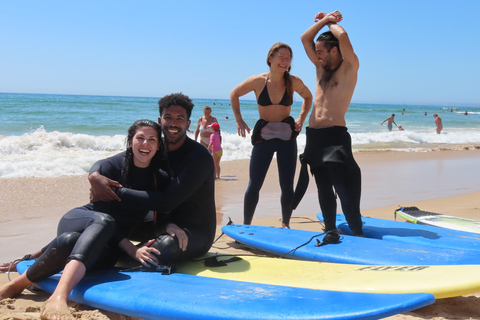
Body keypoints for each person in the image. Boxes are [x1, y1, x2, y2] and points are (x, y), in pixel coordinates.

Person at [0, 119, 170, 320]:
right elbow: (99, 177)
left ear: (158, 146)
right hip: (83, 219)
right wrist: (132, 249)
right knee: (104, 221)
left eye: (152, 140)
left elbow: (161, 210)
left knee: (69, 241)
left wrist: (171, 225)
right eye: (140, 138)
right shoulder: (114, 166)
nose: (145, 144)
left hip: (104, 243)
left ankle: (16, 284)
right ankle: (57, 297)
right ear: (130, 141)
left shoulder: (160, 177)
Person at [89, 92, 216, 266]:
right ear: (160, 120)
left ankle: (120, 254)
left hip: (195, 230)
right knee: (107, 222)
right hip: (159, 223)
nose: (173, 123)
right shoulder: (155, 147)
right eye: (168, 117)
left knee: (163, 248)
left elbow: (167, 202)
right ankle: (104, 249)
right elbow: (112, 161)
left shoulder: (198, 157)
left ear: (188, 124)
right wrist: (95, 176)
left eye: (180, 119)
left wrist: (113, 190)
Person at [291, 10, 364, 236]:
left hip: (335, 136)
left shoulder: (349, 67)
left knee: (343, 187)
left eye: (321, 51)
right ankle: (331, 229)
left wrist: (332, 22)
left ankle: (356, 230)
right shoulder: (321, 68)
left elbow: (342, 38)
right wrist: (323, 20)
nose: (317, 55)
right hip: (314, 137)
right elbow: (305, 39)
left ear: (334, 51)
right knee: (323, 187)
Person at [230, 42, 313, 228]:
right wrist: (238, 119)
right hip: (264, 137)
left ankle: (286, 223)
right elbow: (234, 94)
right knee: (255, 184)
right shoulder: (258, 81)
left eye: (288, 58)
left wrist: (301, 118)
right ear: (270, 58)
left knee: (287, 185)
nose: (284, 61)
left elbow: (308, 97)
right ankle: (247, 225)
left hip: (286, 138)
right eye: (281, 57)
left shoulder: (294, 82)